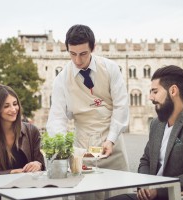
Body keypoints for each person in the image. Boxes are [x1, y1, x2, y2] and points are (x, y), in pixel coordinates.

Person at [107, 65, 183, 200]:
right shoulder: (156, 124)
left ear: (173, 91)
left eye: (155, 92)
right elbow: (145, 161)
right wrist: (144, 184)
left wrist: (160, 188)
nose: (150, 97)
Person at [46, 24, 129, 198]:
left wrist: (112, 139)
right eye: (72, 54)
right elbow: (57, 118)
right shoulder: (61, 79)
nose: (77, 60)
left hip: (112, 145)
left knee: (121, 196)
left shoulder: (111, 68)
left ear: (93, 48)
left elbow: (121, 105)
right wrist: (63, 148)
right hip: (82, 149)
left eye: (83, 54)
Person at [0, 85, 45, 200]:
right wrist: (11, 172)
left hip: (30, 193)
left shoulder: (31, 131)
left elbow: (42, 164)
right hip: (0, 194)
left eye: (15, 104)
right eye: (6, 106)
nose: (13, 110)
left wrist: (38, 164)